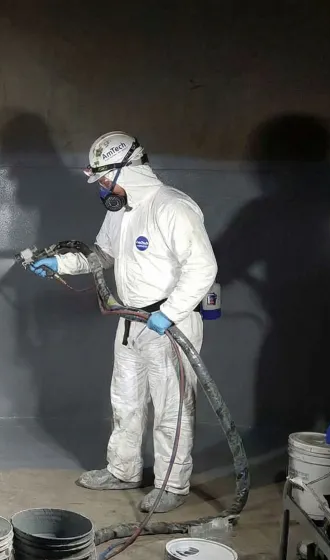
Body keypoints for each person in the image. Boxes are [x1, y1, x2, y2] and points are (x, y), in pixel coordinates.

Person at [27, 131, 218, 513]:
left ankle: (172, 485)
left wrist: (170, 312)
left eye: (103, 177)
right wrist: (61, 264)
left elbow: (203, 267)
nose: (101, 186)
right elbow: (102, 255)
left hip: (170, 323)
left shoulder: (172, 207)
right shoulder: (120, 211)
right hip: (131, 321)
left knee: (172, 408)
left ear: (127, 170)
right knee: (126, 400)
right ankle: (123, 470)